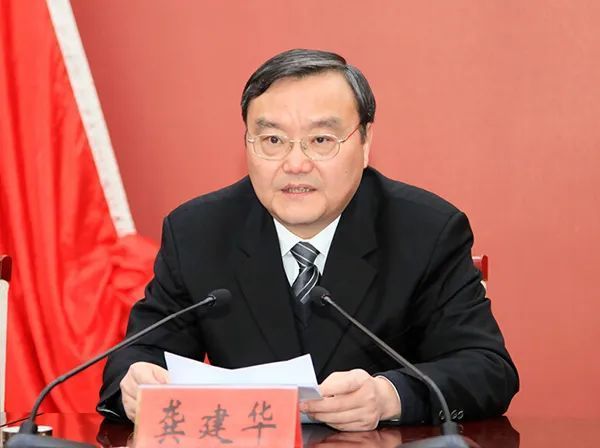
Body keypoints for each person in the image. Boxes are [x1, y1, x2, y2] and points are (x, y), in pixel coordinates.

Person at [98, 49, 519, 431]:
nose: (295, 164)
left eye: (320, 140)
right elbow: (134, 360)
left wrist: (390, 396)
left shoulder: (426, 230)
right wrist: (136, 385)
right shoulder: (198, 232)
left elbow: (488, 369)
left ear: (365, 142)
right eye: (273, 140)